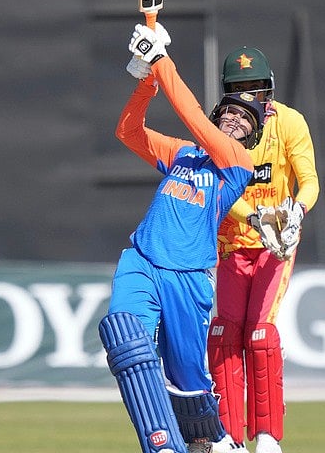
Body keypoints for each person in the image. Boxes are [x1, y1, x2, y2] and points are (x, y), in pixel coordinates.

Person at [98, 23, 264, 453]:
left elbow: (190, 113)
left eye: (245, 119)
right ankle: (161, 444)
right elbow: (128, 133)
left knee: (188, 379)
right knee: (126, 340)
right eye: (228, 111)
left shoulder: (237, 164)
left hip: (188, 275)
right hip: (143, 260)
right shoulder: (184, 153)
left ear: (252, 136)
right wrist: (146, 81)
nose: (233, 117)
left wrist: (161, 61)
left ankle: (217, 442)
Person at [208, 46, 320, 453]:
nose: (249, 99)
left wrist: (296, 212)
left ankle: (269, 437)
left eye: (257, 89)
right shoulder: (221, 128)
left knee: (260, 333)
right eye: (239, 90)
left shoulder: (289, 122)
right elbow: (220, 187)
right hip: (231, 242)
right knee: (224, 334)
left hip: (276, 243)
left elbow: (308, 179)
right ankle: (226, 436)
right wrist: (252, 218)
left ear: (270, 89)